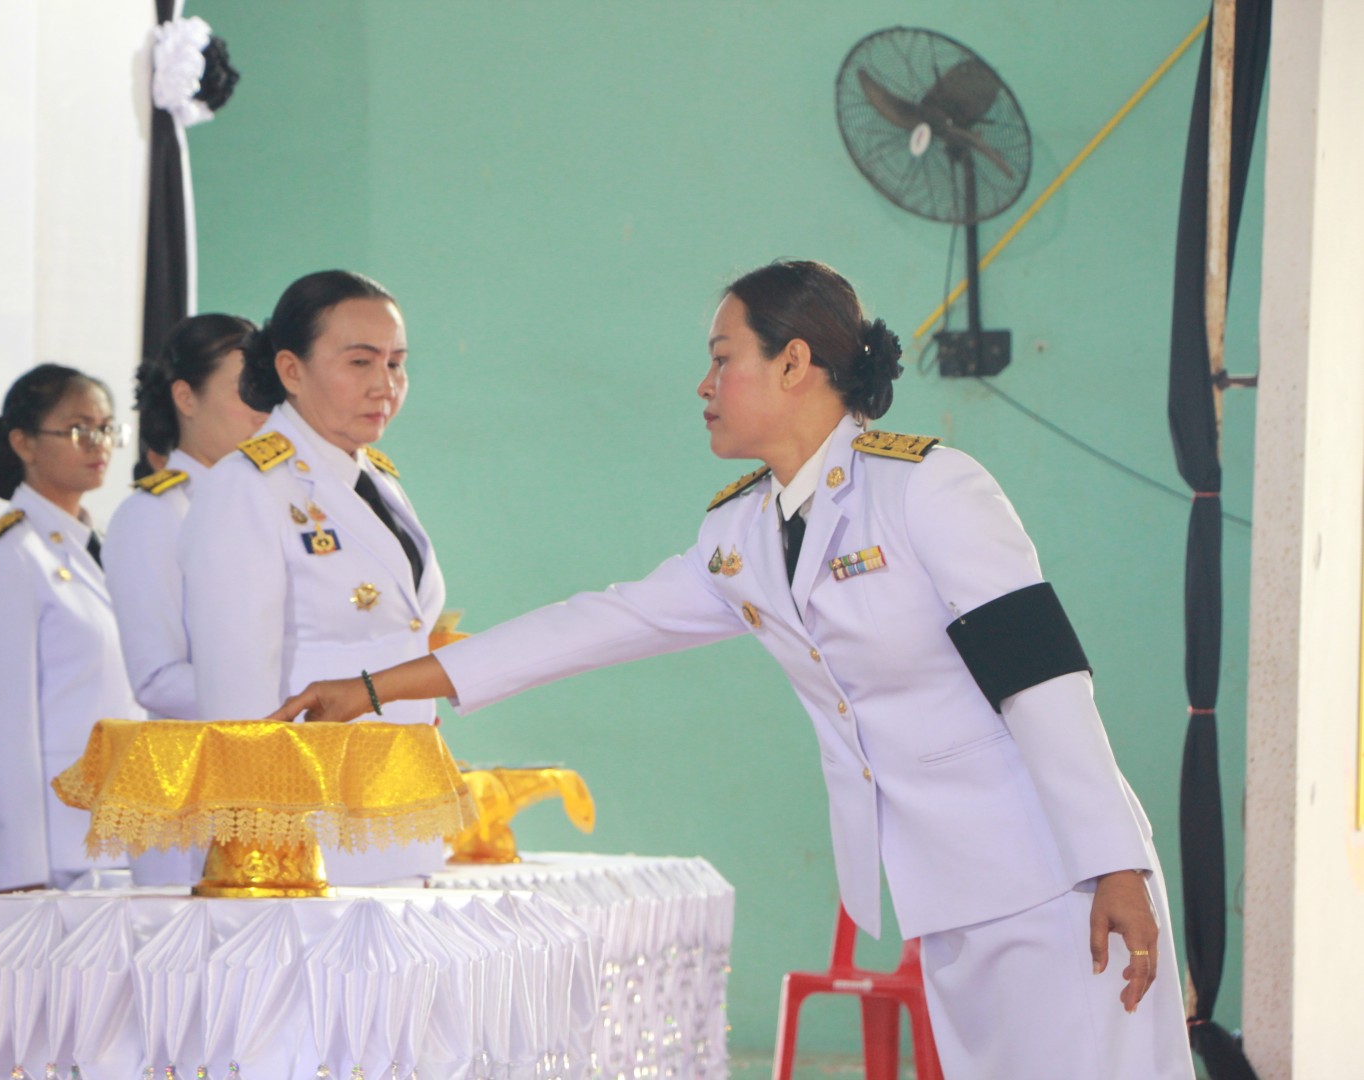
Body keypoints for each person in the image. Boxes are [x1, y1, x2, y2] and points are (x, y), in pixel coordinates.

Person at [275, 261, 1195, 1079]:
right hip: (946, 892)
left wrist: (1113, 865)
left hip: (1059, 882)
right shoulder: (742, 532)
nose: (705, 385)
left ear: (794, 364)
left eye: (724, 358)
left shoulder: (930, 489)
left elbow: (1043, 683)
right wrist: (373, 689)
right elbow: (596, 625)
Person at [179, 270, 448, 885]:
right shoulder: (247, 486)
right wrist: (263, 861)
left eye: (397, 364)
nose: (385, 385)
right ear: (291, 371)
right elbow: (240, 702)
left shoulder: (377, 478)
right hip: (309, 845)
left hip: (397, 821)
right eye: (360, 362)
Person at [0, 364, 144, 895]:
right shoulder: (4, 556)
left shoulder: (106, 550)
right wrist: (19, 872)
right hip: (36, 855)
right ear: (24, 443)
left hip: (108, 840)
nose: (99, 443)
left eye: (107, 428)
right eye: (80, 429)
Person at [104, 313, 268, 720]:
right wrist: (293, 698)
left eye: (267, 395)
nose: (263, 413)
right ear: (186, 398)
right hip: (208, 766)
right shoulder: (154, 514)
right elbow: (157, 679)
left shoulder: (270, 503)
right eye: (245, 392)